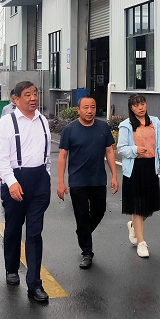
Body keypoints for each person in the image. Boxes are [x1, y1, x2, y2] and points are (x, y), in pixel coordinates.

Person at [0, 81, 52, 303]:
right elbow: (0, 156)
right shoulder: (7, 122)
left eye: (35, 93)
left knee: (35, 233)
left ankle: (35, 284)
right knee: (13, 228)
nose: (33, 98)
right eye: (27, 94)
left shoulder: (43, 120)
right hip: (15, 179)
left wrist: (46, 175)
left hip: (39, 181)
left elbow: (46, 153)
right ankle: (11, 268)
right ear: (15, 99)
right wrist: (11, 182)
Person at [57, 96, 117, 269]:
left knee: (99, 211)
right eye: (85, 107)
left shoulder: (103, 127)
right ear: (78, 110)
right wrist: (61, 182)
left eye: (93, 107)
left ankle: (82, 232)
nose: (89, 111)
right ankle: (87, 253)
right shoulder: (70, 129)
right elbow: (62, 156)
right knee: (82, 216)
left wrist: (114, 176)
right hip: (78, 181)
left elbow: (109, 152)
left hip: (98, 179)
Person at [117, 94, 160, 258]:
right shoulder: (126, 125)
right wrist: (135, 150)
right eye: (136, 105)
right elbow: (121, 148)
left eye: (142, 103)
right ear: (131, 108)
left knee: (149, 206)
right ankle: (141, 243)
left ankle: (134, 226)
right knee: (137, 206)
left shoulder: (155, 122)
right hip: (134, 169)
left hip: (150, 168)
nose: (140, 107)